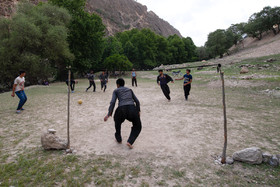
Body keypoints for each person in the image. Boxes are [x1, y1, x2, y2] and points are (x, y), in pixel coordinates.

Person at [104, 78, 142, 149]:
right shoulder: (129, 90)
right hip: (132, 108)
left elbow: (112, 102)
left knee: (117, 121)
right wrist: (138, 111)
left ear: (117, 85)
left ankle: (119, 139)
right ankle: (130, 141)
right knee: (137, 126)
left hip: (121, 109)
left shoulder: (116, 90)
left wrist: (109, 113)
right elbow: (137, 101)